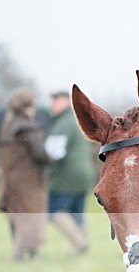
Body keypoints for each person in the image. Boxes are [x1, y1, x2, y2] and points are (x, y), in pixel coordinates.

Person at [0, 89, 50, 262]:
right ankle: (21, 253)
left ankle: (28, 251)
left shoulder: (6, 128)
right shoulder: (29, 128)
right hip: (28, 181)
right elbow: (40, 154)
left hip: (9, 179)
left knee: (17, 216)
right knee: (30, 217)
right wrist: (53, 156)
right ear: (28, 108)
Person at [45, 90, 97, 254]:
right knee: (76, 211)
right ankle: (83, 242)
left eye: (55, 100)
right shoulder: (78, 120)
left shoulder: (64, 123)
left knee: (53, 210)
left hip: (67, 175)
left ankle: (79, 242)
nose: (52, 105)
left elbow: (54, 151)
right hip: (85, 174)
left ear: (66, 102)